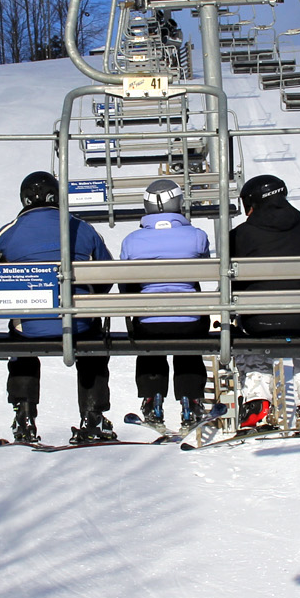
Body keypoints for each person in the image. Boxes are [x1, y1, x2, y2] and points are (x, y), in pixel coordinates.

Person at [0, 171, 116, 444]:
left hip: (30, 326)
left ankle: (24, 415)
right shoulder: (81, 228)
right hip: (79, 323)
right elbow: (107, 273)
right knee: (92, 343)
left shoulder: (9, 233)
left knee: (19, 339)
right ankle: (92, 416)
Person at [227, 174, 300, 432]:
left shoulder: (240, 235)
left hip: (259, 321)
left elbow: (229, 282)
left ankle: (257, 402)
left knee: (246, 338)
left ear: (251, 204)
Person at [119, 179, 211, 427]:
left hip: (149, 323)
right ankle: (191, 402)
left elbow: (125, 283)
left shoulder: (132, 241)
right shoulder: (196, 236)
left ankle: (152, 399)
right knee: (189, 346)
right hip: (190, 321)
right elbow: (204, 270)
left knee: (151, 343)